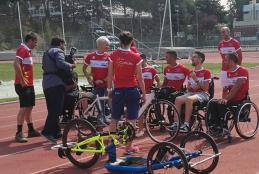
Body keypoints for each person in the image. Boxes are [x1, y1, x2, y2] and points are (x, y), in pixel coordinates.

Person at [107, 31, 146, 155]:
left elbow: (110, 74)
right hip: (132, 89)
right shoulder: (136, 57)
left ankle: (112, 146)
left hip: (118, 89)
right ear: (131, 42)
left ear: (119, 41)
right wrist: (144, 94)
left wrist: (109, 89)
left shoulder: (113, 54)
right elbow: (140, 78)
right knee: (131, 120)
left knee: (115, 118)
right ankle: (129, 147)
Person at [41, 36, 77, 144]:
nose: (64, 47)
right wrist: (72, 65)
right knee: (57, 109)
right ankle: (47, 131)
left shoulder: (46, 53)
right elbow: (61, 64)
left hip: (46, 83)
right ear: (60, 43)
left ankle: (57, 133)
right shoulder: (58, 51)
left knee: (52, 108)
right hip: (56, 83)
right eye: (64, 45)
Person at [208, 52, 249, 137]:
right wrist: (225, 91)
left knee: (221, 104)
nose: (224, 62)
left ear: (231, 61)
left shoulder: (242, 70)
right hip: (231, 98)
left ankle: (224, 127)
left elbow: (237, 87)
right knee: (212, 103)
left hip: (240, 99)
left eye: (225, 60)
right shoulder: (229, 72)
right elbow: (231, 89)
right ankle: (217, 126)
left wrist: (226, 99)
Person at [171, 51, 211, 133]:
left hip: (203, 94)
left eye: (194, 57)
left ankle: (186, 125)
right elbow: (188, 89)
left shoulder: (206, 72)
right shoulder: (191, 72)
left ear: (200, 59)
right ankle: (176, 123)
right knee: (178, 99)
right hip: (191, 93)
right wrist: (191, 86)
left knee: (189, 99)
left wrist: (196, 80)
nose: (191, 59)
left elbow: (205, 88)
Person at [13, 32, 40, 143]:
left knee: (29, 107)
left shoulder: (27, 51)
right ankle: (19, 133)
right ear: (29, 41)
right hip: (22, 84)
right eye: (35, 42)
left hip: (29, 84)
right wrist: (23, 80)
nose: (36, 45)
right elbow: (15, 64)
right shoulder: (22, 50)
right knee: (24, 108)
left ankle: (31, 130)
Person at [82, 36, 111, 115]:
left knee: (111, 104)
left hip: (107, 85)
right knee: (100, 106)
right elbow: (84, 68)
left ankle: (114, 123)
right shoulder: (91, 56)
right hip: (97, 86)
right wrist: (89, 79)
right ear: (100, 45)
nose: (108, 47)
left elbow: (111, 73)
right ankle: (100, 122)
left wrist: (102, 80)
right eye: (107, 45)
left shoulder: (109, 57)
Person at [136, 53, 162, 137]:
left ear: (143, 60)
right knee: (141, 111)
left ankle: (160, 121)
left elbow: (158, 81)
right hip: (141, 93)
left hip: (150, 93)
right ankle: (140, 129)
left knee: (155, 106)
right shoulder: (137, 70)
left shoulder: (151, 69)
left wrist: (157, 89)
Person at [218, 27, 243, 98]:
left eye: (224, 32)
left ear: (228, 32)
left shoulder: (235, 42)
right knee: (224, 89)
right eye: (221, 32)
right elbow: (223, 58)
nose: (222, 34)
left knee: (235, 88)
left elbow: (240, 57)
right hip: (224, 70)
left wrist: (238, 68)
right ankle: (224, 105)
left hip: (234, 70)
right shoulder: (220, 44)